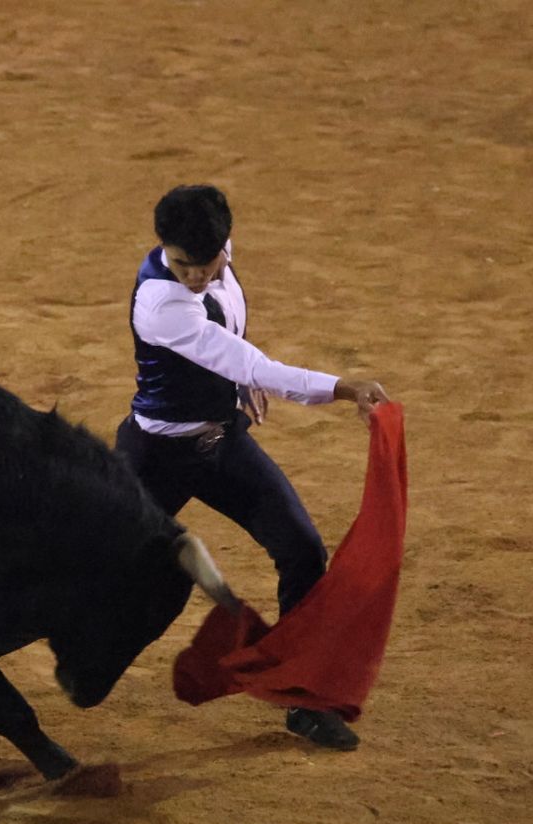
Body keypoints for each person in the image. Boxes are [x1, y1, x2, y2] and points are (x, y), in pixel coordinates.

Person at [113, 183, 389, 751]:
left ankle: (301, 697)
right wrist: (342, 387)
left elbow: (231, 341)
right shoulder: (162, 304)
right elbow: (253, 363)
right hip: (157, 457)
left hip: (222, 444)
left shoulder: (219, 259)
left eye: (206, 263)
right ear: (164, 248)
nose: (196, 275)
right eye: (183, 265)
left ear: (225, 245)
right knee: (83, 563)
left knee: (302, 548)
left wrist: (233, 386)